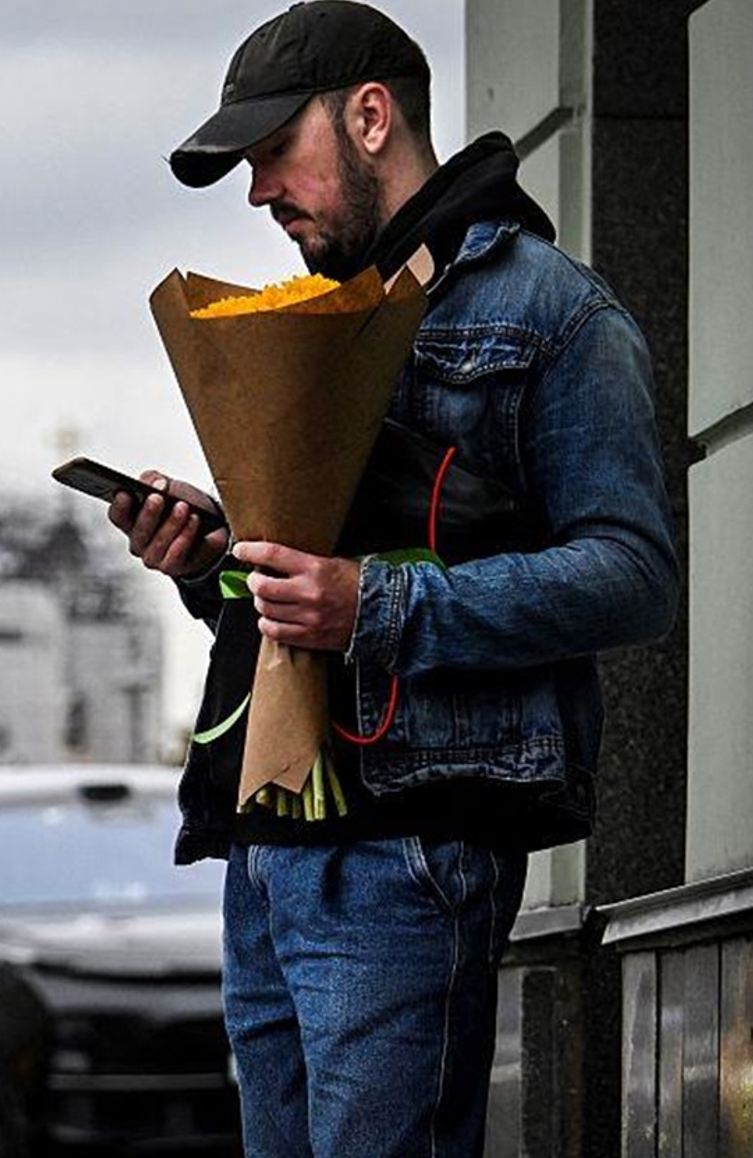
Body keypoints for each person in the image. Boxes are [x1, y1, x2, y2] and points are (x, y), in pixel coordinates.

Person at [106, 4, 678, 1156]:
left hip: (410, 841)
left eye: (275, 150)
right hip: (267, 839)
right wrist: (211, 566)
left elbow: (630, 576)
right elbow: (315, 575)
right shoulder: (316, 317)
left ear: (370, 117)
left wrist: (371, 604)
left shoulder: (551, 311)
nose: (257, 192)